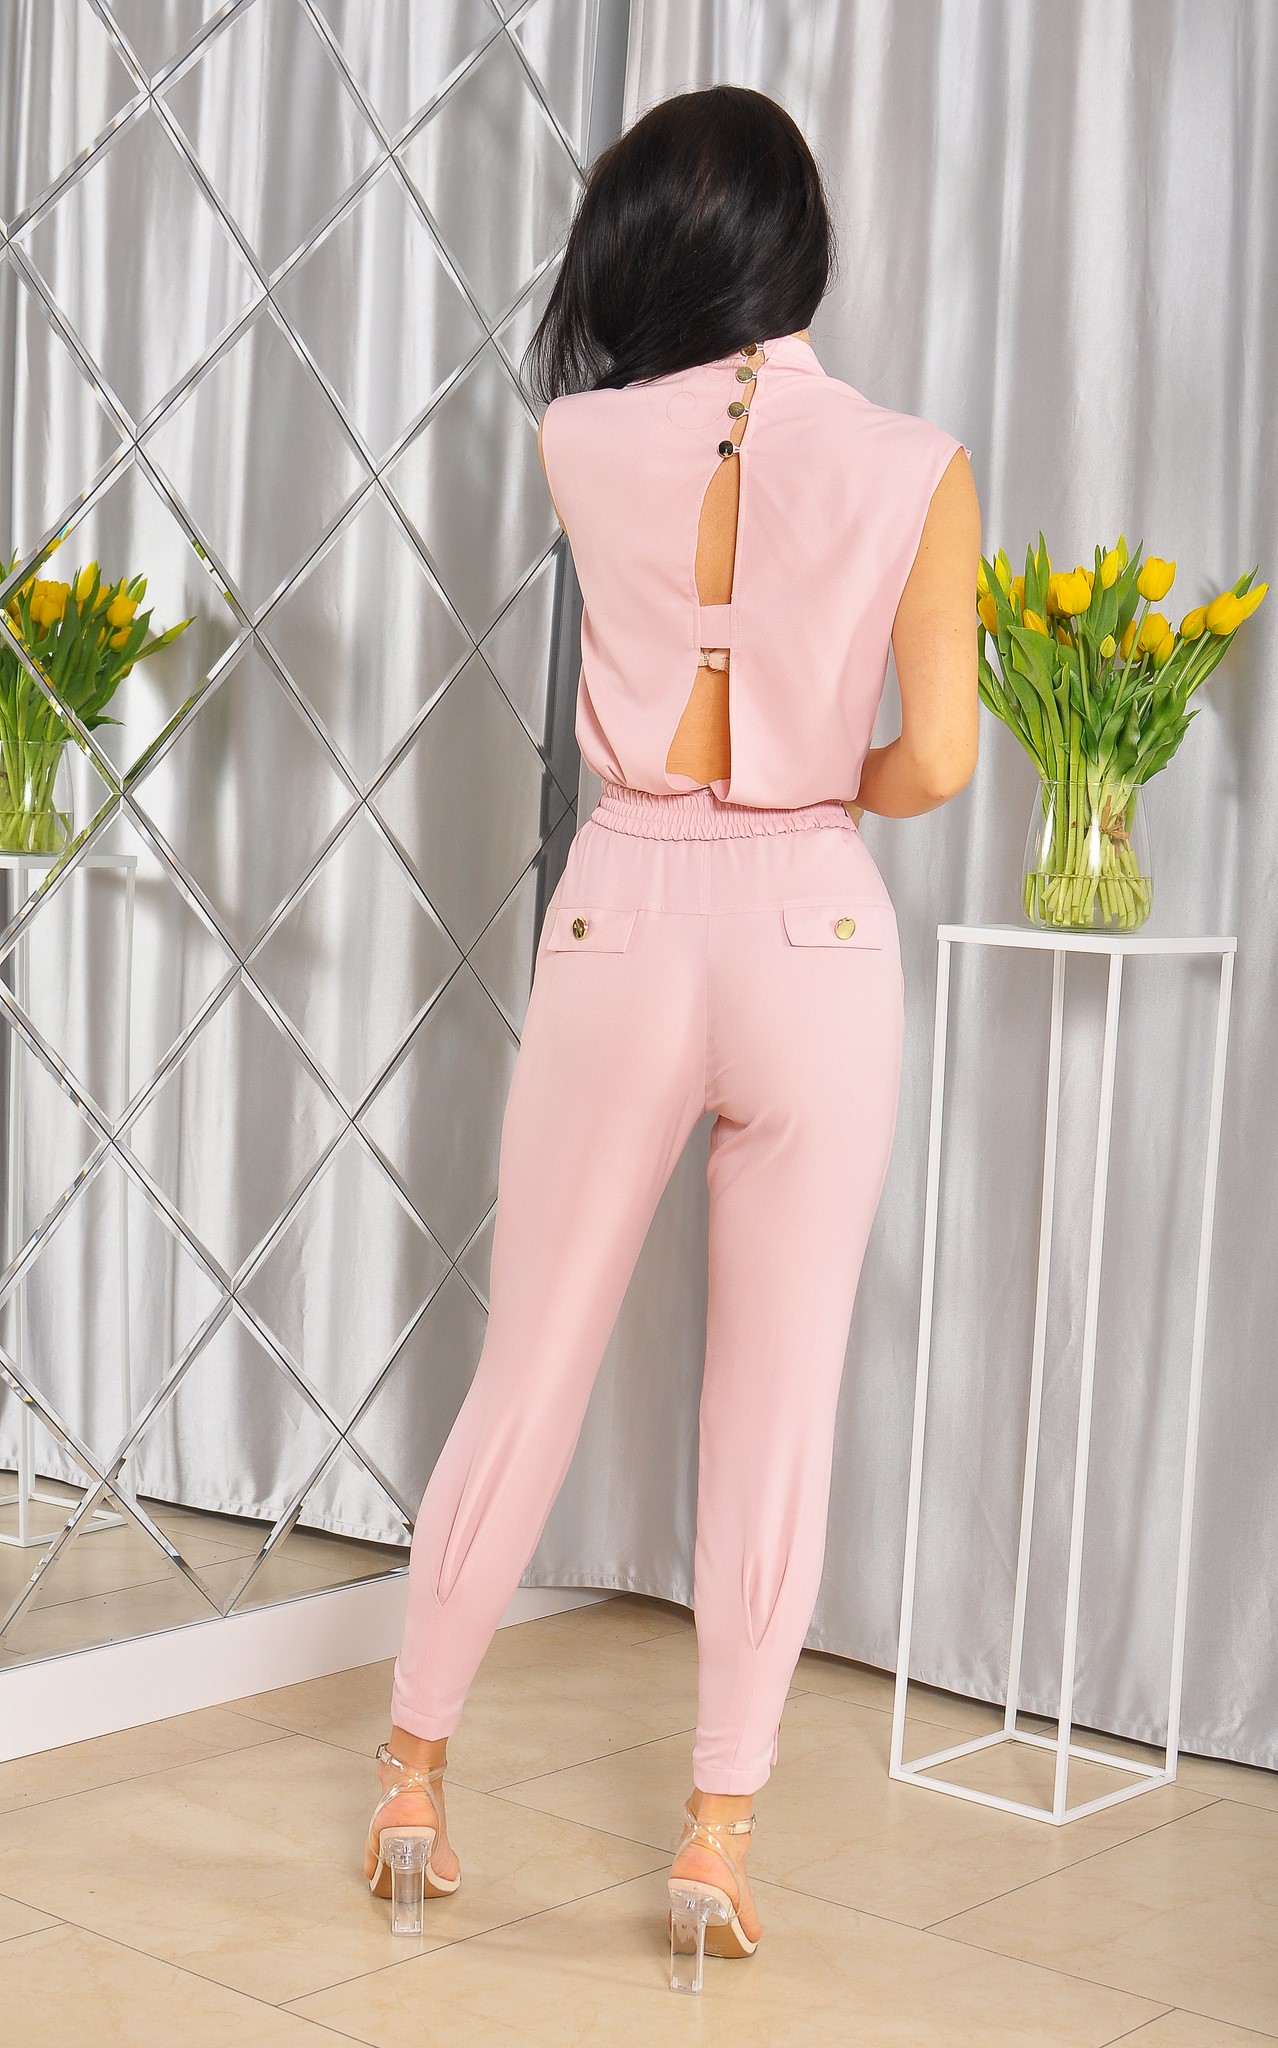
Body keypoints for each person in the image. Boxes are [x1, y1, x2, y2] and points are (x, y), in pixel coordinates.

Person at [362, 83, 980, 1993]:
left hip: (623, 912)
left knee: (527, 1366)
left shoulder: (578, 439)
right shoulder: (912, 463)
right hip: (809, 928)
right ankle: (716, 1831)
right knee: (774, 1399)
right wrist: (814, 778)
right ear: (798, 245)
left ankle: (410, 1782)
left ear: (644, 243)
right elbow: (940, 760)